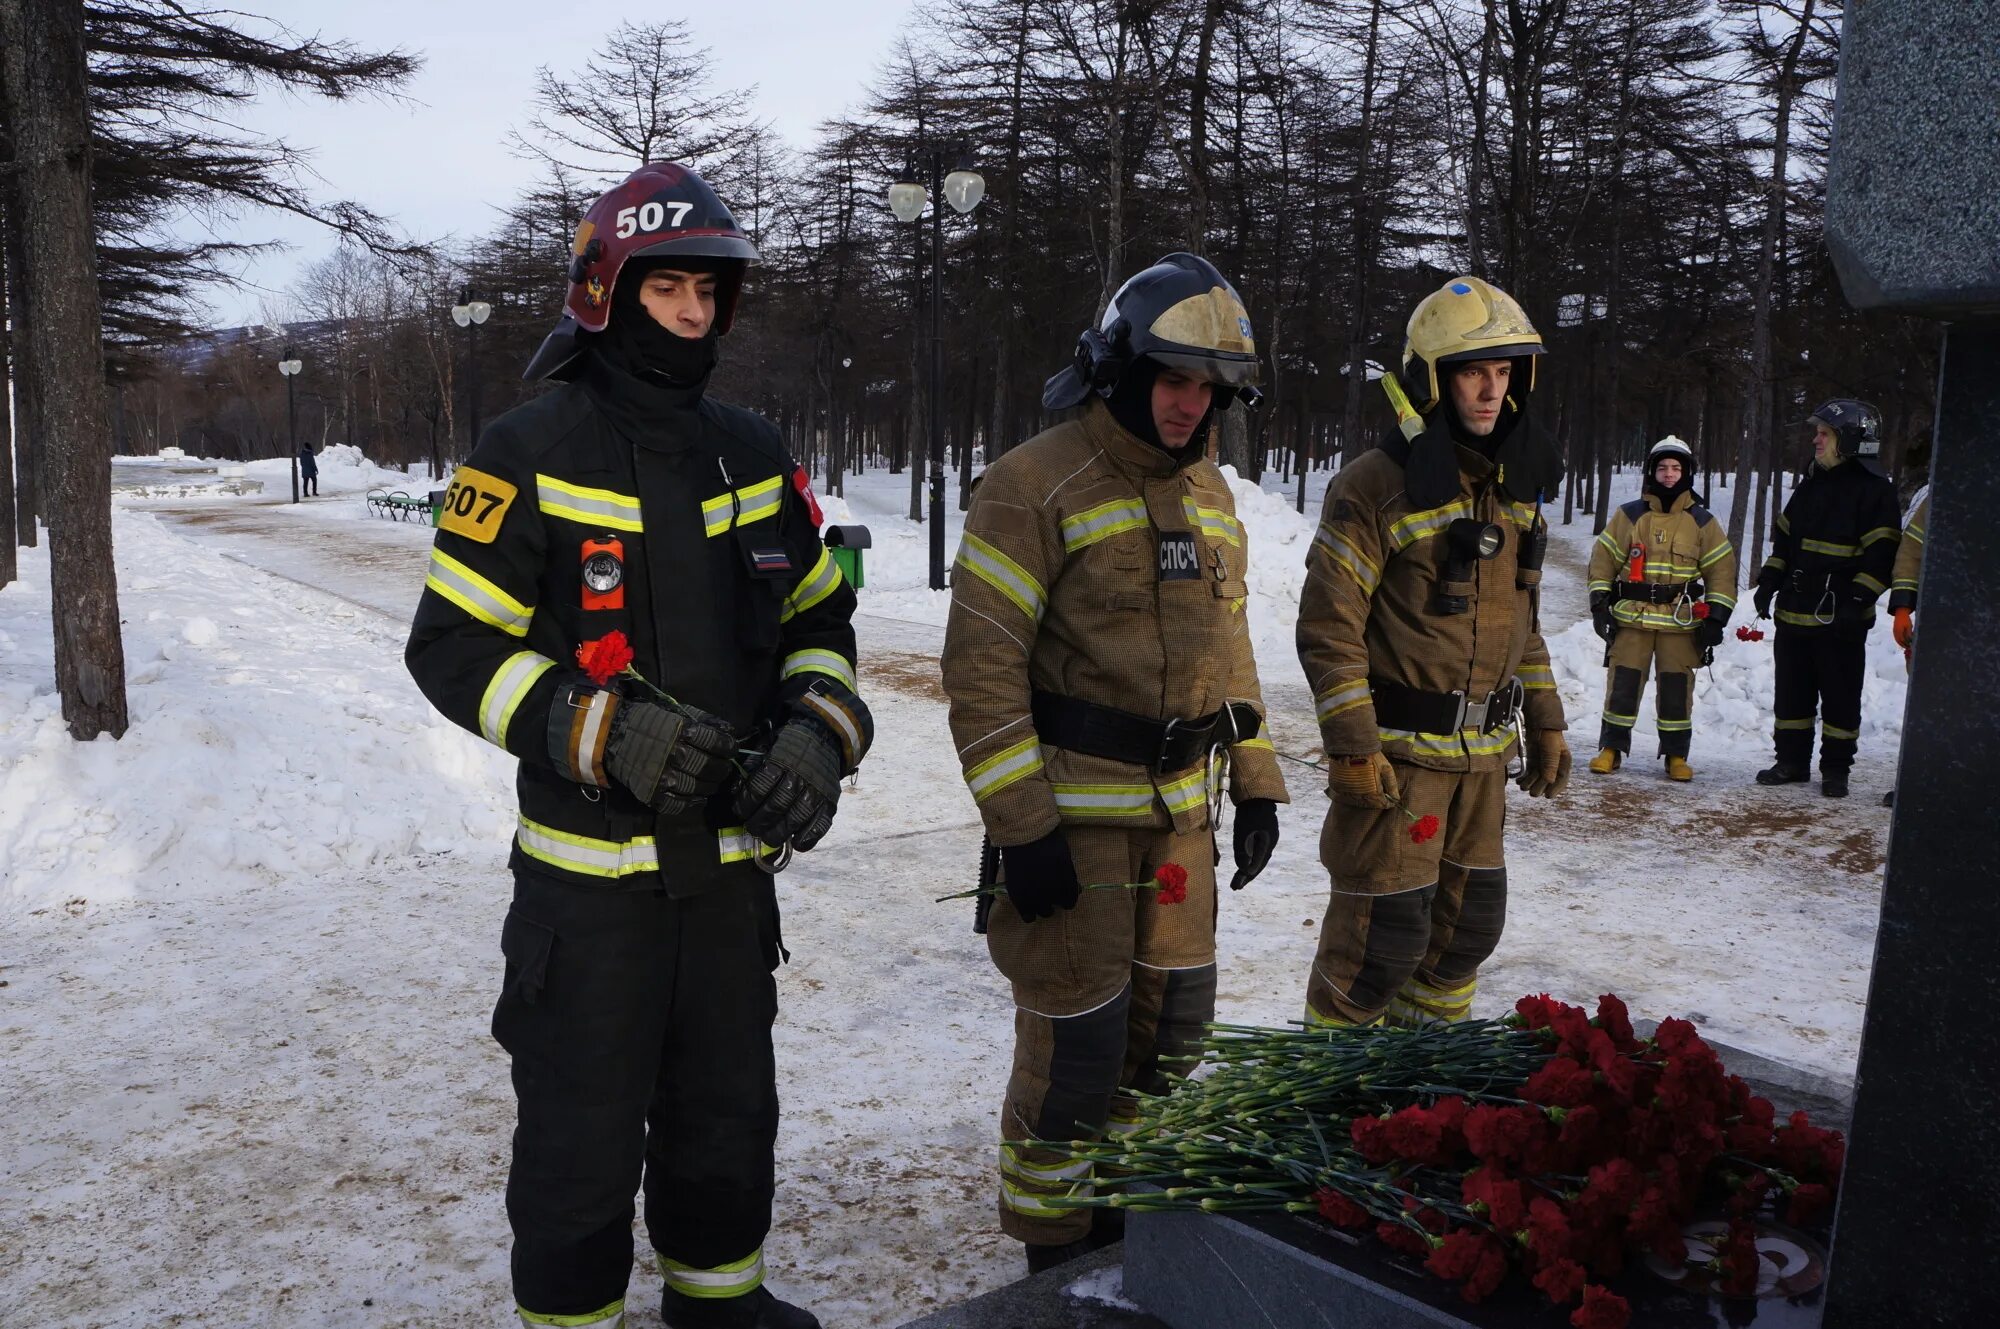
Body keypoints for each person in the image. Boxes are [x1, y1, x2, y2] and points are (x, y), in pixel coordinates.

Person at [406, 162, 869, 1329]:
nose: (693, 313)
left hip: (725, 883)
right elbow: (451, 649)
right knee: (578, 1136)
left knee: (726, 1112)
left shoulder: (752, 454)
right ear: (607, 293)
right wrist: (600, 731)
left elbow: (821, 617)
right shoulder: (524, 451)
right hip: (586, 892)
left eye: (709, 293)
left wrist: (817, 738)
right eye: (668, 288)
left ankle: (719, 1301)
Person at [940, 253, 1289, 1272]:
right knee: (1075, 1052)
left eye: (1207, 390)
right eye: (1173, 380)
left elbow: (1230, 650)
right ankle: (1053, 1257)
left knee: (1173, 1037)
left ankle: (1129, 1232)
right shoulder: (1028, 484)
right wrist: (1023, 829)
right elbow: (982, 672)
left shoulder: (1213, 495)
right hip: (1072, 832)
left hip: (1182, 822)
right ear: (1120, 367)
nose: (1189, 406)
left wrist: (1258, 779)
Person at [1296, 275, 1570, 1030]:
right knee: (1378, 943)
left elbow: (1524, 621)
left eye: (1504, 372)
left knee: (1465, 933)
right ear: (1432, 379)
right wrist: (1351, 746)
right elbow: (1328, 627)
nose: (1490, 390)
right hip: (1398, 766)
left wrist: (1544, 717)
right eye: (1473, 371)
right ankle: (1330, 1103)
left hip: (1482, 762)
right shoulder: (1374, 487)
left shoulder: (1512, 494)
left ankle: (1422, 1095)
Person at [1752, 399, 1900, 799]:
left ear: (1850, 439)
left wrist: (1858, 601)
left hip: (1841, 617)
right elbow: (1785, 539)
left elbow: (1882, 556)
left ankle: (1836, 769)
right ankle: (1791, 762)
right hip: (1794, 612)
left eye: (1824, 433)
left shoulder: (1876, 492)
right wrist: (1769, 581)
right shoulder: (1811, 483)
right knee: (1791, 693)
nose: (1815, 440)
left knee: (1840, 697)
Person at [1585, 436, 1737, 780]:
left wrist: (1716, 617)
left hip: (1680, 622)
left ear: (1686, 473)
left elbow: (1722, 572)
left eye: (1676, 468)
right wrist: (1599, 604)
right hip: (1632, 618)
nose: (1669, 474)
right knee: (1622, 685)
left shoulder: (1702, 522)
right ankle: (1610, 748)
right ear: (1652, 472)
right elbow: (1603, 561)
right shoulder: (1629, 515)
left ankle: (1675, 756)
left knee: (1676, 691)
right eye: (1662, 468)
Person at [1882, 491, 1929, 806]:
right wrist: (1902, 607)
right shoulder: (1948, 493)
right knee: (1928, 707)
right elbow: (1911, 552)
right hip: (1946, 623)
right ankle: (1921, 780)